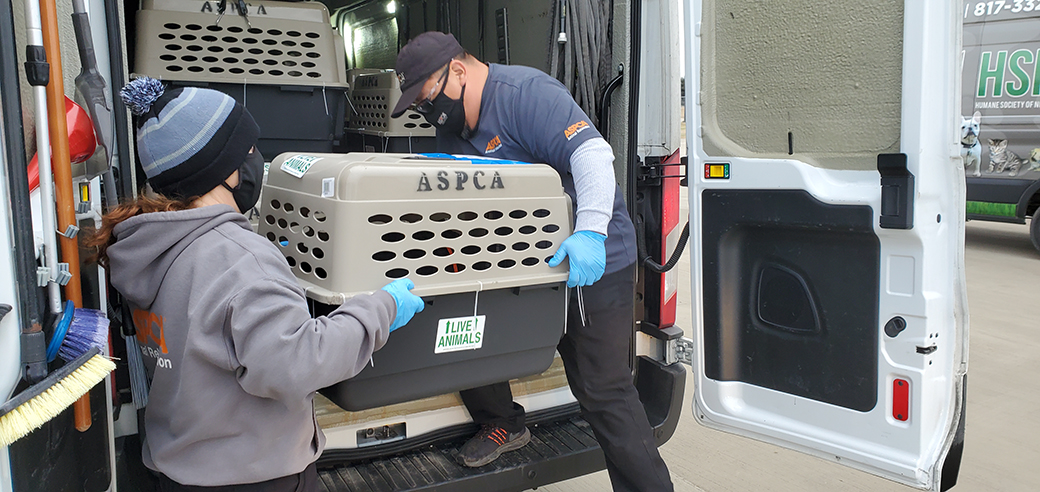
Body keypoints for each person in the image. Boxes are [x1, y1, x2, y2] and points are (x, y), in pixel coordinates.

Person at [89, 77, 425, 491]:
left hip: (179, 471)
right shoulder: (241, 259)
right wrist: (382, 308)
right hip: (256, 477)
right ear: (225, 170)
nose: (256, 159)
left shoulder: (150, 249)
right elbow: (301, 362)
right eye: (248, 148)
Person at [390, 32, 673, 491]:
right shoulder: (453, 129)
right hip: (519, 267)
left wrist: (589, 232)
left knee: (603, 394)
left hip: (590, 265)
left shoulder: (525, 96)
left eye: (429, 98)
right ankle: (504, 422)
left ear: (458, 72)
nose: (429, 112)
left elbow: (593, 156)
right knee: (464, 337)